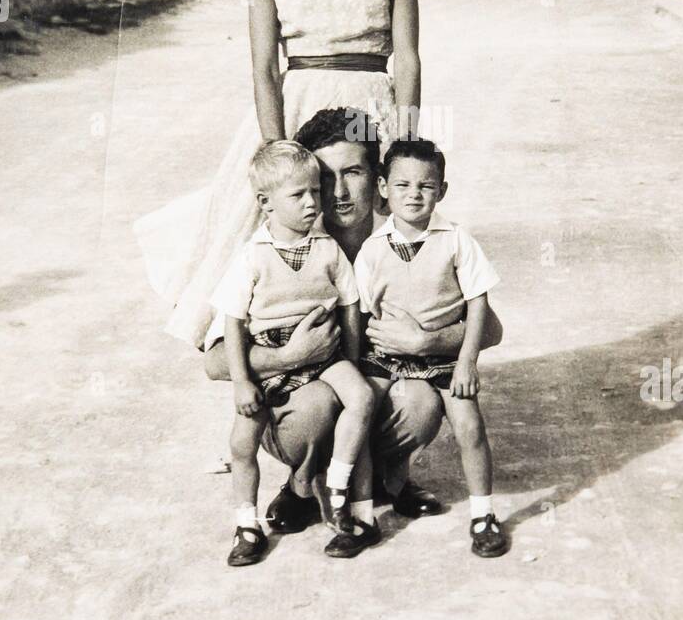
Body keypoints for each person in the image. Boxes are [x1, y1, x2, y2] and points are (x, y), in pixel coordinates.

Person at [133, 0, 420, 353]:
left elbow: (409, 58)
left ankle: (374, 358)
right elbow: (265, 67)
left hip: (369, 108)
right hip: (298, 106)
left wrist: (401, 143)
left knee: (366, 226)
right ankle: (289, 363)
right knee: (292, 228)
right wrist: (277, 148)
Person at [205, 108, 504, 533]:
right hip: (300, 397)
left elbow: (490, 329)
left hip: (374, 384)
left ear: (378, 180)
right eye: (326, 177)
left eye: (354, 172)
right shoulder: (278, 245)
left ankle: (389, 477)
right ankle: (304, 483)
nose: (340, 191)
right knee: (316, 405)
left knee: (418, 401)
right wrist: (289, 354)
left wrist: (427, 341)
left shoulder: (404, 235)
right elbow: (214, 362)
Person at [211, 142, 379, 565]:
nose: (312, 203)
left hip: (326, 355)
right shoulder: (252, 256)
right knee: (240, 443)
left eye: (314, 193)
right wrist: (244, 381)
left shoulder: (327, 248)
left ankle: (339, 490)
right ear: (265, 203)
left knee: (361, 398)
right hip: (271, 354)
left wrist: (353, 361)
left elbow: (350, 306)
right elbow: (233, 322)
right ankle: (246, 525)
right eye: (298, 195)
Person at [354, 138, 509, 558]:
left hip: (443, 357)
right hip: (387, 354)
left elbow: (478, 302)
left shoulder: (457, 240)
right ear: (383, 187)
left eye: (426, 185)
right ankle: (362, 517)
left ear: (441, 190)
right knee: (359, 415)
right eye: (402, 185)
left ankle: (483, 515)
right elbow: (366, 315)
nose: (414, 194)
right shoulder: (371, 250)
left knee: (470, 426)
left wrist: (466, 362)